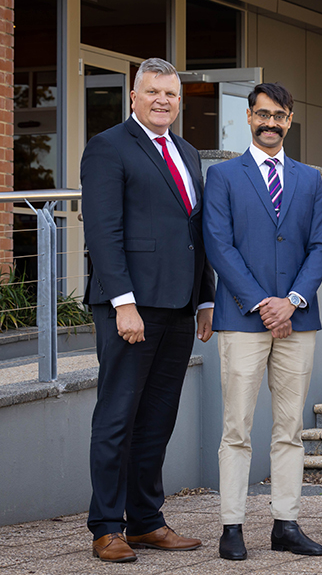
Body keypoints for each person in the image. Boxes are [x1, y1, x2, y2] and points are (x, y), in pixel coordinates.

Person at [81, 57, 215, 563]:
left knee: (157, 419)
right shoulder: (108, 146)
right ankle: (106, 527)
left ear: (179, 101)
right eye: (153, 91)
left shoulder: (187, 151)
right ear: (134, 96)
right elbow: (103, 231)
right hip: (131, 307)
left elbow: (195, 231)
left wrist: (205, 297)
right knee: (118, 415)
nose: (163, 100)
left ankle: (145, 521)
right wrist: (124, 303)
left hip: (179, 305)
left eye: (171, 94)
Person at [202, 82, 322, 561]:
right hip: (242, 318)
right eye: (263, 115)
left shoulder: (310, 179)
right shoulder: (222, 176)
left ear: (290, 120)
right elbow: (219, 245)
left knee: (289, 429)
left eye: (279, 116)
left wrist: (292, 301)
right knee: (236, 427)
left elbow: (321, 245)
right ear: (249, 118)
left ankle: (286, 524)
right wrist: (262, 303)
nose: (270, 123)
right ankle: (231, 526)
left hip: (298, 319)